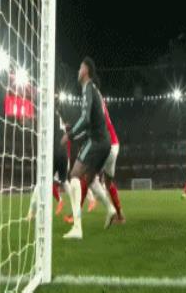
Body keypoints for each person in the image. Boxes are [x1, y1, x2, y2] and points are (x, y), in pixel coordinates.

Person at [61, 57, 117, 239]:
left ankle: (77, 227)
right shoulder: (94, 90)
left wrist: (69, 135)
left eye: (80, 68)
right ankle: (110, 209)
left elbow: (85, 119)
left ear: (85, 70)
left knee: (74, 175)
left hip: (97, 141)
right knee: (90, 179)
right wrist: (74, 132)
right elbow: (90, 121)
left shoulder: (88, 88)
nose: (78, 71)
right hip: (105, 142)